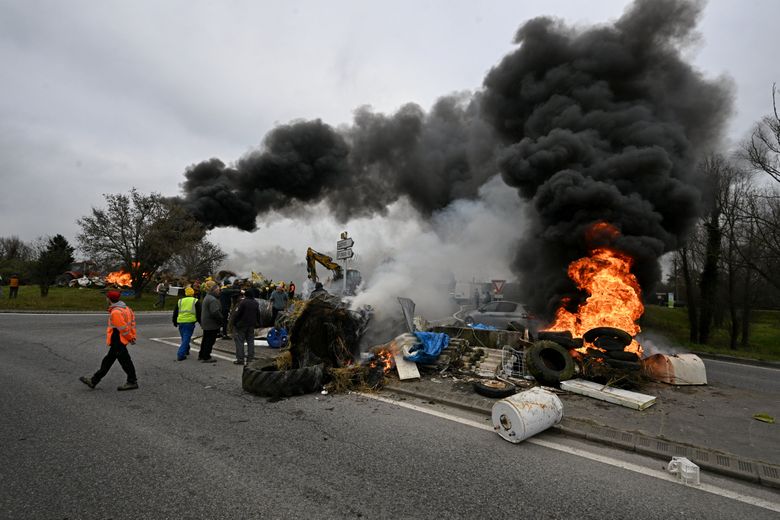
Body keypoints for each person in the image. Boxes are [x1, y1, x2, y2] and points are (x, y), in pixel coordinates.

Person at [79, 290, 138, 391]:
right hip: (121, 339)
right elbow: (132, 324)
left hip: (118, 339)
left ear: (109, 299)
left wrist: (130, 338)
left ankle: (132, 382)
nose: (106, 299)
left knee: (124, 362)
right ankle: (93, 381)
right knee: (108, 361)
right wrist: (132, 336)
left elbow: (123, 329)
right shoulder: (127, 309)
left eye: (107, 297)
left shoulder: (116, 312)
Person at [229, 287, 261, 365]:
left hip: (241, 325)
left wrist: (234, 323)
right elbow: (258, 314)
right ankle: (250, 359)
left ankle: (240, 359)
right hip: (251, 325)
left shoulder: (242, 302)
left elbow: (237, 314)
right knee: (251, 342)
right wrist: (258, 323)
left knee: (240, 342)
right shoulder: (256, 303)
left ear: (245, 295)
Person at [172, 286, 200, 361]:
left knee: (184, 337)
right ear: (193, 293)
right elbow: (199, 313)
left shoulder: (180, 301)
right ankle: (180, 354)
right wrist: (201, 323)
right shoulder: (195, 301)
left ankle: (186, 350)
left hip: (181, 322)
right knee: (186, 338)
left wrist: (174, 321)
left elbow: (175, 312)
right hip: (190, 322)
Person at [198, 281, 222, 363]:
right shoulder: (212, 299)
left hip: (206, 323)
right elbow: (215, 312)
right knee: (210, 340)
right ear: (214, 290)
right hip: (211, 323)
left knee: (205, 339)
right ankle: (206, 356)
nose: (219, 291)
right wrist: (221, 319)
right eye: (218, 290)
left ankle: (201, 354)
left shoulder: (207, 297)